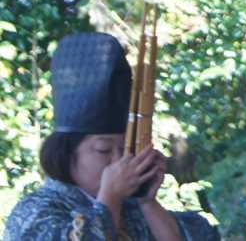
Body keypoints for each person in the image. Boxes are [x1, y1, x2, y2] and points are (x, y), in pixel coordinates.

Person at [2, 32, 219, 241]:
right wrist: (110, 199)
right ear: (67, 154)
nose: (119, 160)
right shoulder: (36, 211)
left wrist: (147, 202)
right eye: (104, 150)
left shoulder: (134, 211)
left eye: (125, 149)